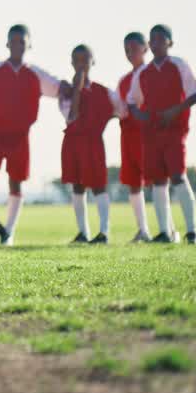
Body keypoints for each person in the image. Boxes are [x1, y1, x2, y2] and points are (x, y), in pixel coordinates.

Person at [0, 24, 68, 247]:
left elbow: (61, 89)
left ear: (29, 44)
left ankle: (8, 233)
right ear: (7, 43)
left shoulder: (36, 74)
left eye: (22, 41)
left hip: (20, 137)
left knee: (15, 184)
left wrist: (75, 81)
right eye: (14, 40)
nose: (18, 44)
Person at [127, 24, 196, 244]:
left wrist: (174, 111)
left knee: (178, 176)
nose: (156, 43)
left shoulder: (179, 65)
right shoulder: (143, 72)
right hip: (151, 133)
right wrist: (142, 117)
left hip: (175, 131)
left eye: (161, 39)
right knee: (158, 180)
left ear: (170, 42)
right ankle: (165, 233)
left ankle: (192, 232)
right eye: (153, 40)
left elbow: (195, 93)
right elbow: (132, 101)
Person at [59, 45, 122, 245]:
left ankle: (104, 232)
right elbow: (72, 116)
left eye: (85, 60)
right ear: (71, 62)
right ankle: (83, 232)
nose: (80, 64)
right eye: (76, 60)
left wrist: (102, 122)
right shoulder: (65, 91)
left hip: (93, 142)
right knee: (77, 186)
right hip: (72, 142)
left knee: (98, 185)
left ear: (92, 62)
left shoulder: (104, 92)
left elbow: (121, 111)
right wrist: (77, 88)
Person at [117, 32, 152, 242]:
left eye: (133, 47)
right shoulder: (124, 80)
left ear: (145, 48)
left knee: (158, 181)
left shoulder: (151, 73)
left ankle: (169, 230)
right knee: (133, 182)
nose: (130, 52)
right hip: (127, 135)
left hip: (147, 135)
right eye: (126, 49)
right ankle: (143, 230)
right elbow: (119, 108)